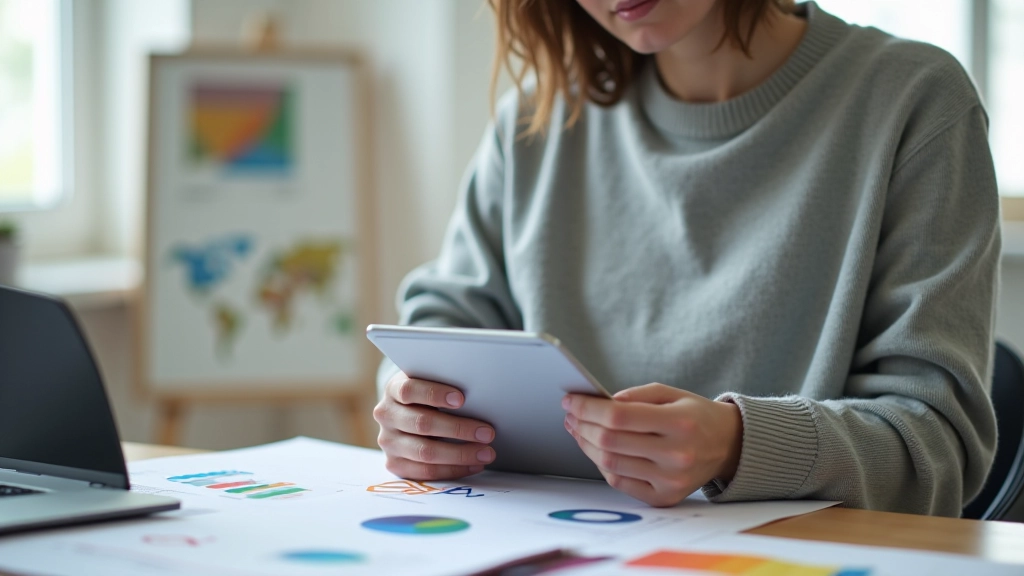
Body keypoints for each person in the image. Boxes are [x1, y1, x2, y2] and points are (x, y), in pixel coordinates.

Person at [372, 0, 1000, 516]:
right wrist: (415, 407)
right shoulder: (535, 123)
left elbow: (936, 449)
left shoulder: (914, 101)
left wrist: (739, 446)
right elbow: (439, 326)